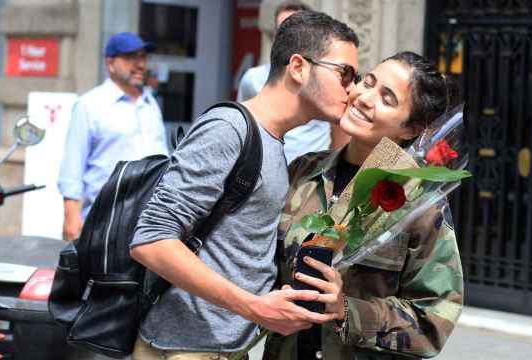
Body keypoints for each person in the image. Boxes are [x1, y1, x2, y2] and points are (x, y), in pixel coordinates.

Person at [129, 11, 360, 360]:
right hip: (183, 349)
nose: (353, 88)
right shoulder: (229, 128)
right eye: (345, 73)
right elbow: (151, 240)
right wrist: (253, 307)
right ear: (298, 67)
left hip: (223, 349)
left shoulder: (274, 142)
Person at [264, 51, 464, 360]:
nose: (365, 98)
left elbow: (434, 319)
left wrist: (347, 309)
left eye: (387, 99)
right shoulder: (303, 171)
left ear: (410, 129)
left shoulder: (418, 202)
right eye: (367, 82)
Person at [58, 32, 168, 241]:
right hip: (104, 220)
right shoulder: (90, 105)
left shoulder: (150, 104)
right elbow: (73, 165)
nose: (140, 65)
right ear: (110, 64)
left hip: (150, 221)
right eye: (130, 58)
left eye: (143, 57)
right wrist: (71, 217)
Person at [237, 1, 350, 163]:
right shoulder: (252, 78)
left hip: (309, 177)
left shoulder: (325, 80)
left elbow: (340, 129)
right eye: (281, 31)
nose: (287, 38)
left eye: (294, 31)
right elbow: (244, 126)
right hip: (265, 173)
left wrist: (327, 172)